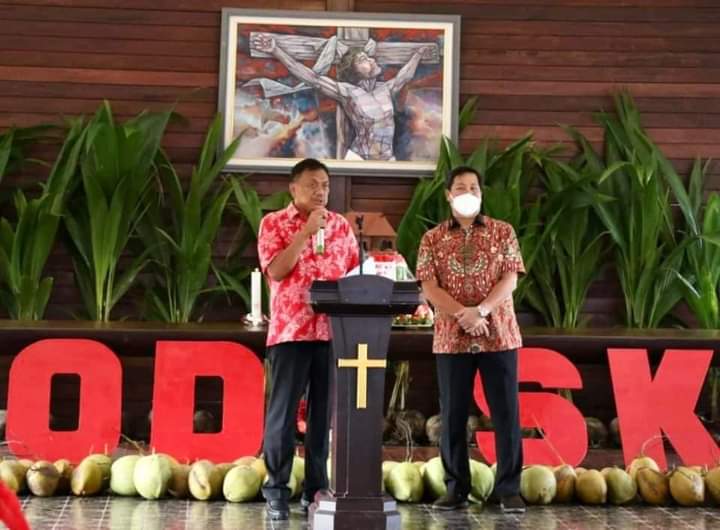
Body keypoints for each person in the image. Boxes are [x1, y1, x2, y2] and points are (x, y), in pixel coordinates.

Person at [416, 166, 526, 514]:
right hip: (452, 338)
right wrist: (463, 314)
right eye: (460, 187)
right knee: (453, 414)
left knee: (505, 412)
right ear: (448, 194)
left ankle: (508, 490)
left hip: (498, 334)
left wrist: (481, 311)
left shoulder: (502, 231)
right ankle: (456, 488)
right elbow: (429, 286)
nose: (468, 192)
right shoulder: (432, 238)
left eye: (474, 187)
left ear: (481, 193)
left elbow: (511, 279)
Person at [257, 158, 359, 520]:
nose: (321, 191)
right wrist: (304, 232)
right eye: (313, 184)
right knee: (283, 415)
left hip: (332, 332)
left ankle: (315, 489)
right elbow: (277, 271)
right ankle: (276, 489)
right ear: (293, 188)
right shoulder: (273, 223)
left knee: (322, 418)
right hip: (291, 332)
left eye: (325, 185)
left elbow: (355, 274)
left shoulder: (341, 226)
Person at [250, 33, 432, 161]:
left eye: (369, 57)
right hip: (359, 158)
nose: (371, 60)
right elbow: (311, 78)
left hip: (387, 158)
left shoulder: (386, 89)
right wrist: (276, 50)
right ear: (353, 71)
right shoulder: (348, 92)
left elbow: (404, 76)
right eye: (363, 60)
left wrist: (417, 55)